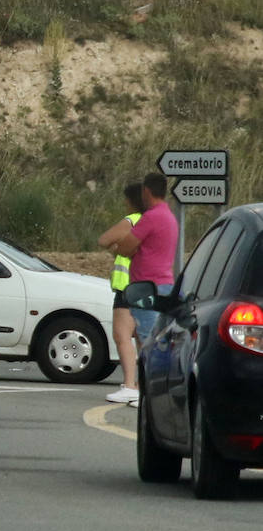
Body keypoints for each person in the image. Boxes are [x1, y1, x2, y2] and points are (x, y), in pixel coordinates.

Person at [108, 172, 179, 407]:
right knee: (154, 339)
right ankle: (145, 390)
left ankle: (148, 393)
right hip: (163, 284)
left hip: (147, 286)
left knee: (150, 342)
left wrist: (121, 247)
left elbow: (126, 247)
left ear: (147, 191)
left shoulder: (151, 217)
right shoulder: (169, 216)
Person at [98, 182, 147, 406]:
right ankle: (144, 386)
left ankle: (129, 385)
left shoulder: (133, 220)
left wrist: (119, 247)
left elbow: (104, 239)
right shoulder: (154, 221)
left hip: (127, 286)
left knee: (122, 336)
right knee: (142, 337)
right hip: (146, 285)